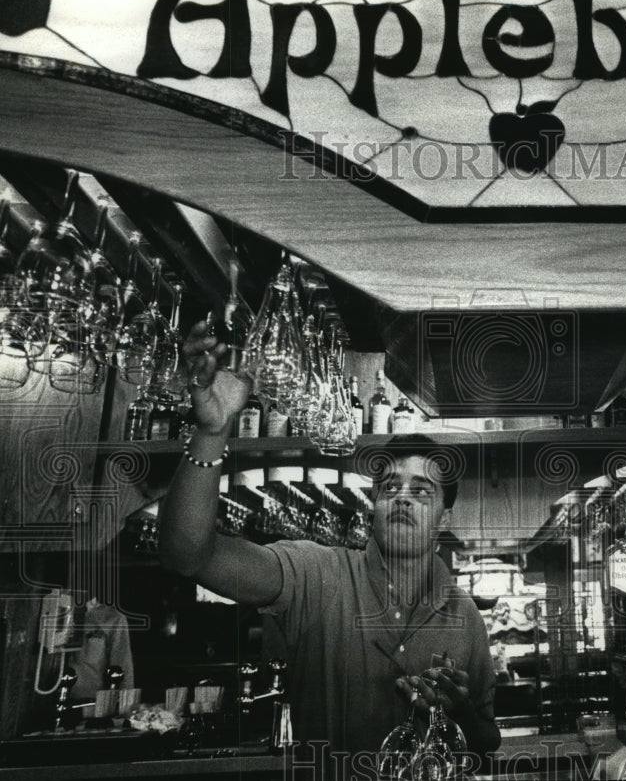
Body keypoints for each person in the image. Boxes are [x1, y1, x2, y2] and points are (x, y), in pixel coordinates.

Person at [158, 321, 501, 763]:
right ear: (372, 501)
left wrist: (461, 717)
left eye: (422, 491)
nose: (401, 499)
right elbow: (187, 557)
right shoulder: (316, 574)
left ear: (443, 515)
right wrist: (210, 433)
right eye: (390, 487)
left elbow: (487, 739)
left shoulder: (465, 616)